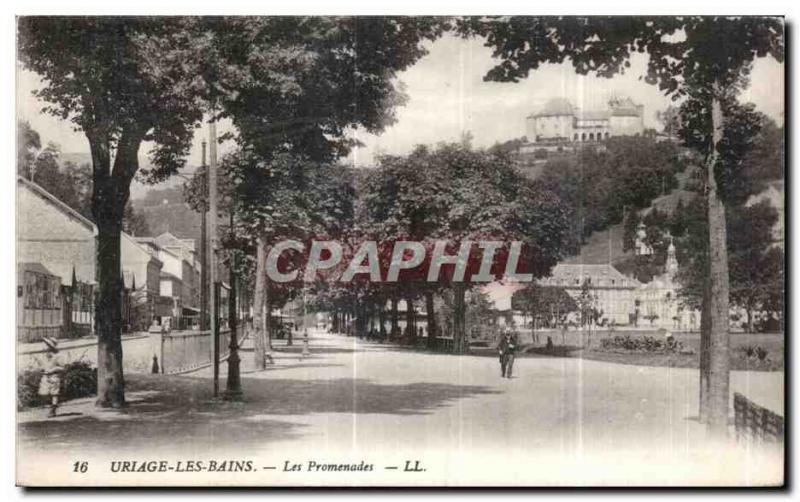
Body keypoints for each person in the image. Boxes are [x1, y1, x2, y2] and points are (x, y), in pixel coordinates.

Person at [38, 337, 64, 417]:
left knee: (54, 394)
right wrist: (41, 369)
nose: (44, 347)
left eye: (46, 345)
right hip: (45, 377)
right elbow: (41, 365)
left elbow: (62, 367)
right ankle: (51, 407)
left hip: (54, 376)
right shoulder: (43, 356)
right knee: (43, 393)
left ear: (50, 346)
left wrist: (53, 370)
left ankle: (53, 410)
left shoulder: (57, 356)